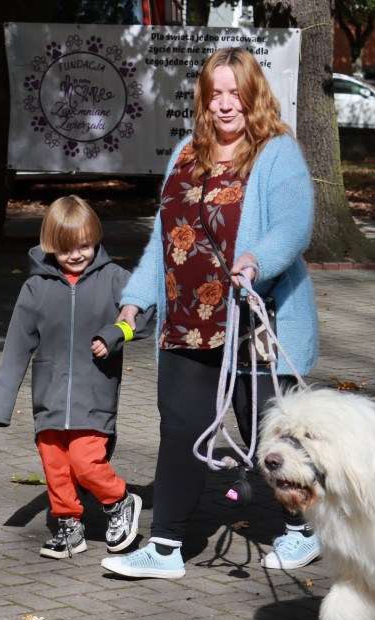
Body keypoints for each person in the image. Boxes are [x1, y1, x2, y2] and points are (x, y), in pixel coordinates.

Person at [100, 47, 320, 579]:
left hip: (253, 321)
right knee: (179, 430)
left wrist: (256, 259)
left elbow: (294, 225)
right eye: (215, 93)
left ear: (253, 94)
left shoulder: (276, 151)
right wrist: (138, 297)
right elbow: (164, 239)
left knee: (270, 436)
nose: (225, 104)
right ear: (203, 98)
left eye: (234, 92)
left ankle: (306, 531)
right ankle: (166, 548)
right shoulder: (186, 154)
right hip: (184, 325)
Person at [0, 195, 156, 559]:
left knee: (85, 462)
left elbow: (148, 313)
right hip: (48, 400)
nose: (77, 255)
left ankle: (120, 501)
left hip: (94, 396)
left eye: (85, 245)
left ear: (95, 238)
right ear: (50, 246)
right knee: (56, 468)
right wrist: (1, 407)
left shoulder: (115, 279)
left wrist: (115, 334)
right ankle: (68, 525)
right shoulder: (35, 287)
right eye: (66, 249)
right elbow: (17, 345)